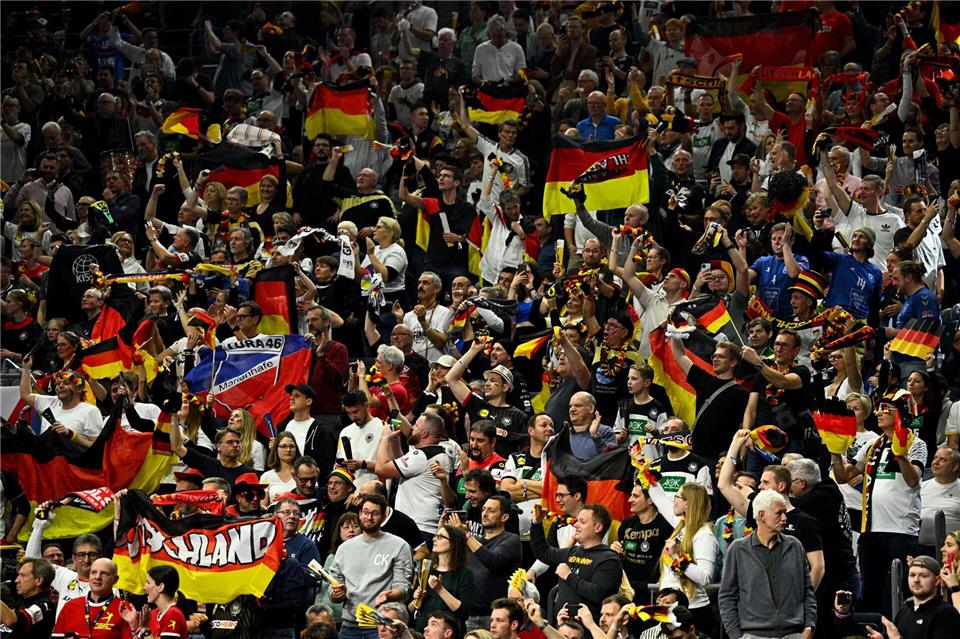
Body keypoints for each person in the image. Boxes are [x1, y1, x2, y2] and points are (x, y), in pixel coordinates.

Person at [831, 397, 927, 614]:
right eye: (878, 409)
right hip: (871, 531)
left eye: (885, 409)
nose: (878, 413)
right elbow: (843, 477)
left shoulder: (917, 444)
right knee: (870, 593)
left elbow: (913, 480)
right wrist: (834, 451)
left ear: (900, 414)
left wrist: (900, 455)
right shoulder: (872, 444)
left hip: (901, 532)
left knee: (902, 592)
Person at [718, 489, 817, 639]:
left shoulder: (794, 545)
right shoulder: (738, 549)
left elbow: (807, 591)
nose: (785, 518)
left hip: (794, 634)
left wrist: (809, 628)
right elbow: (727, 596)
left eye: (785, 512)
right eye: (779, 513)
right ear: (762, 515)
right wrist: (736, 635)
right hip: (752, 635)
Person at [329, 494, 413, 639]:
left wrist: (389, 595)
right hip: (349, 625)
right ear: (360, 514)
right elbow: (334, 585)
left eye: (375, 513)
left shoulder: (399, 546)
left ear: (383, 516)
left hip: (381, 625)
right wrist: (336, 594)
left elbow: (403, 588)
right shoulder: (344, 548)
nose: (369, 517)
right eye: (366, 512)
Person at [529, 502, 622, 620]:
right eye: (577, 521)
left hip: (588, 631)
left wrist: (569, 576)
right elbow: (543, 552)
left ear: (598, 527)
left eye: (582, 522)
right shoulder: (572, 552)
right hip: (561, 627)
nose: (576, 525)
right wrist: (536, 524)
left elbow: (599, 594)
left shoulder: (609, 559)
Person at [376, 412, 454, 542]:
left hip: (417, 527)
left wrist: (385, 438)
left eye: (416, 426)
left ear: (424, 434)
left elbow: (381, 469)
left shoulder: (421, 456)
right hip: (426, 527)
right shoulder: (438, 453)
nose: (412, 428)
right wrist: (395, 439)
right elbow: (401, 465)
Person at [458, 494, 523, 630]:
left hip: (492, 616)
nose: (485, 514)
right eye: (483, 509)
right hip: (466, 612)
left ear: (504, 517)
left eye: (491, 511)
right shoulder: (474, 541)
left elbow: (492, 561)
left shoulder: (511, 540)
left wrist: (467, 535)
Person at [613, 480, 674, 597]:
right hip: (628, 589)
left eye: (635, 496)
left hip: (654, 591)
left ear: (651, 500)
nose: (629, 500)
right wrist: (615, 550)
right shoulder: (626, 524)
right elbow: (622, 554)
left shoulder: (666, 525)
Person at [52, 558, 137, 638]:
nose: (97, 577)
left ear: (115, 579)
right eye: (93, 572)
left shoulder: (125, 609)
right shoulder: (70, 606)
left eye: (104, 573)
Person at [411, 524, 475, 630]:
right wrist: (416, 600)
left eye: (440, 537)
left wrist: (439, 589)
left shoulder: (464, 573)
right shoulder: (427, 569)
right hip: (422, 631)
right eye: (435, 536)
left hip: (448, 633)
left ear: (453, 543)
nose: (434, 539)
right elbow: (410, 609)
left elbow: (463, 612)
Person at [126, 565, 188, 639]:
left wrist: (145, 628)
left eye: (148, 582)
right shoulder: (152, 614)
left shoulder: (173, 614)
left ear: (160, 587)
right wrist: (133, 624)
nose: (145, 587)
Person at [0, 557, 56, 638]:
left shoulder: (44, 606)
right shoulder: (21, 601)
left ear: (39, 580)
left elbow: (10, 621)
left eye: (22, 575)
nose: (17, 580)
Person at [340, 391, 386, 487]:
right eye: (349, 413)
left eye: (355, 412)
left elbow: (391, 465)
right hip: (350, 492)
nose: (353, 417)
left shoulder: (383, 428)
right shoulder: (345, 432)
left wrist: (363, 464)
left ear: (366, 406)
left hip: (374, 491)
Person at [919, 448, 960, 556]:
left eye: (942, 460)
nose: (935, 462)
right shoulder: (921, 487)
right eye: (935, 458)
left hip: (952, 552)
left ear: (955, 466)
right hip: (920, 550)